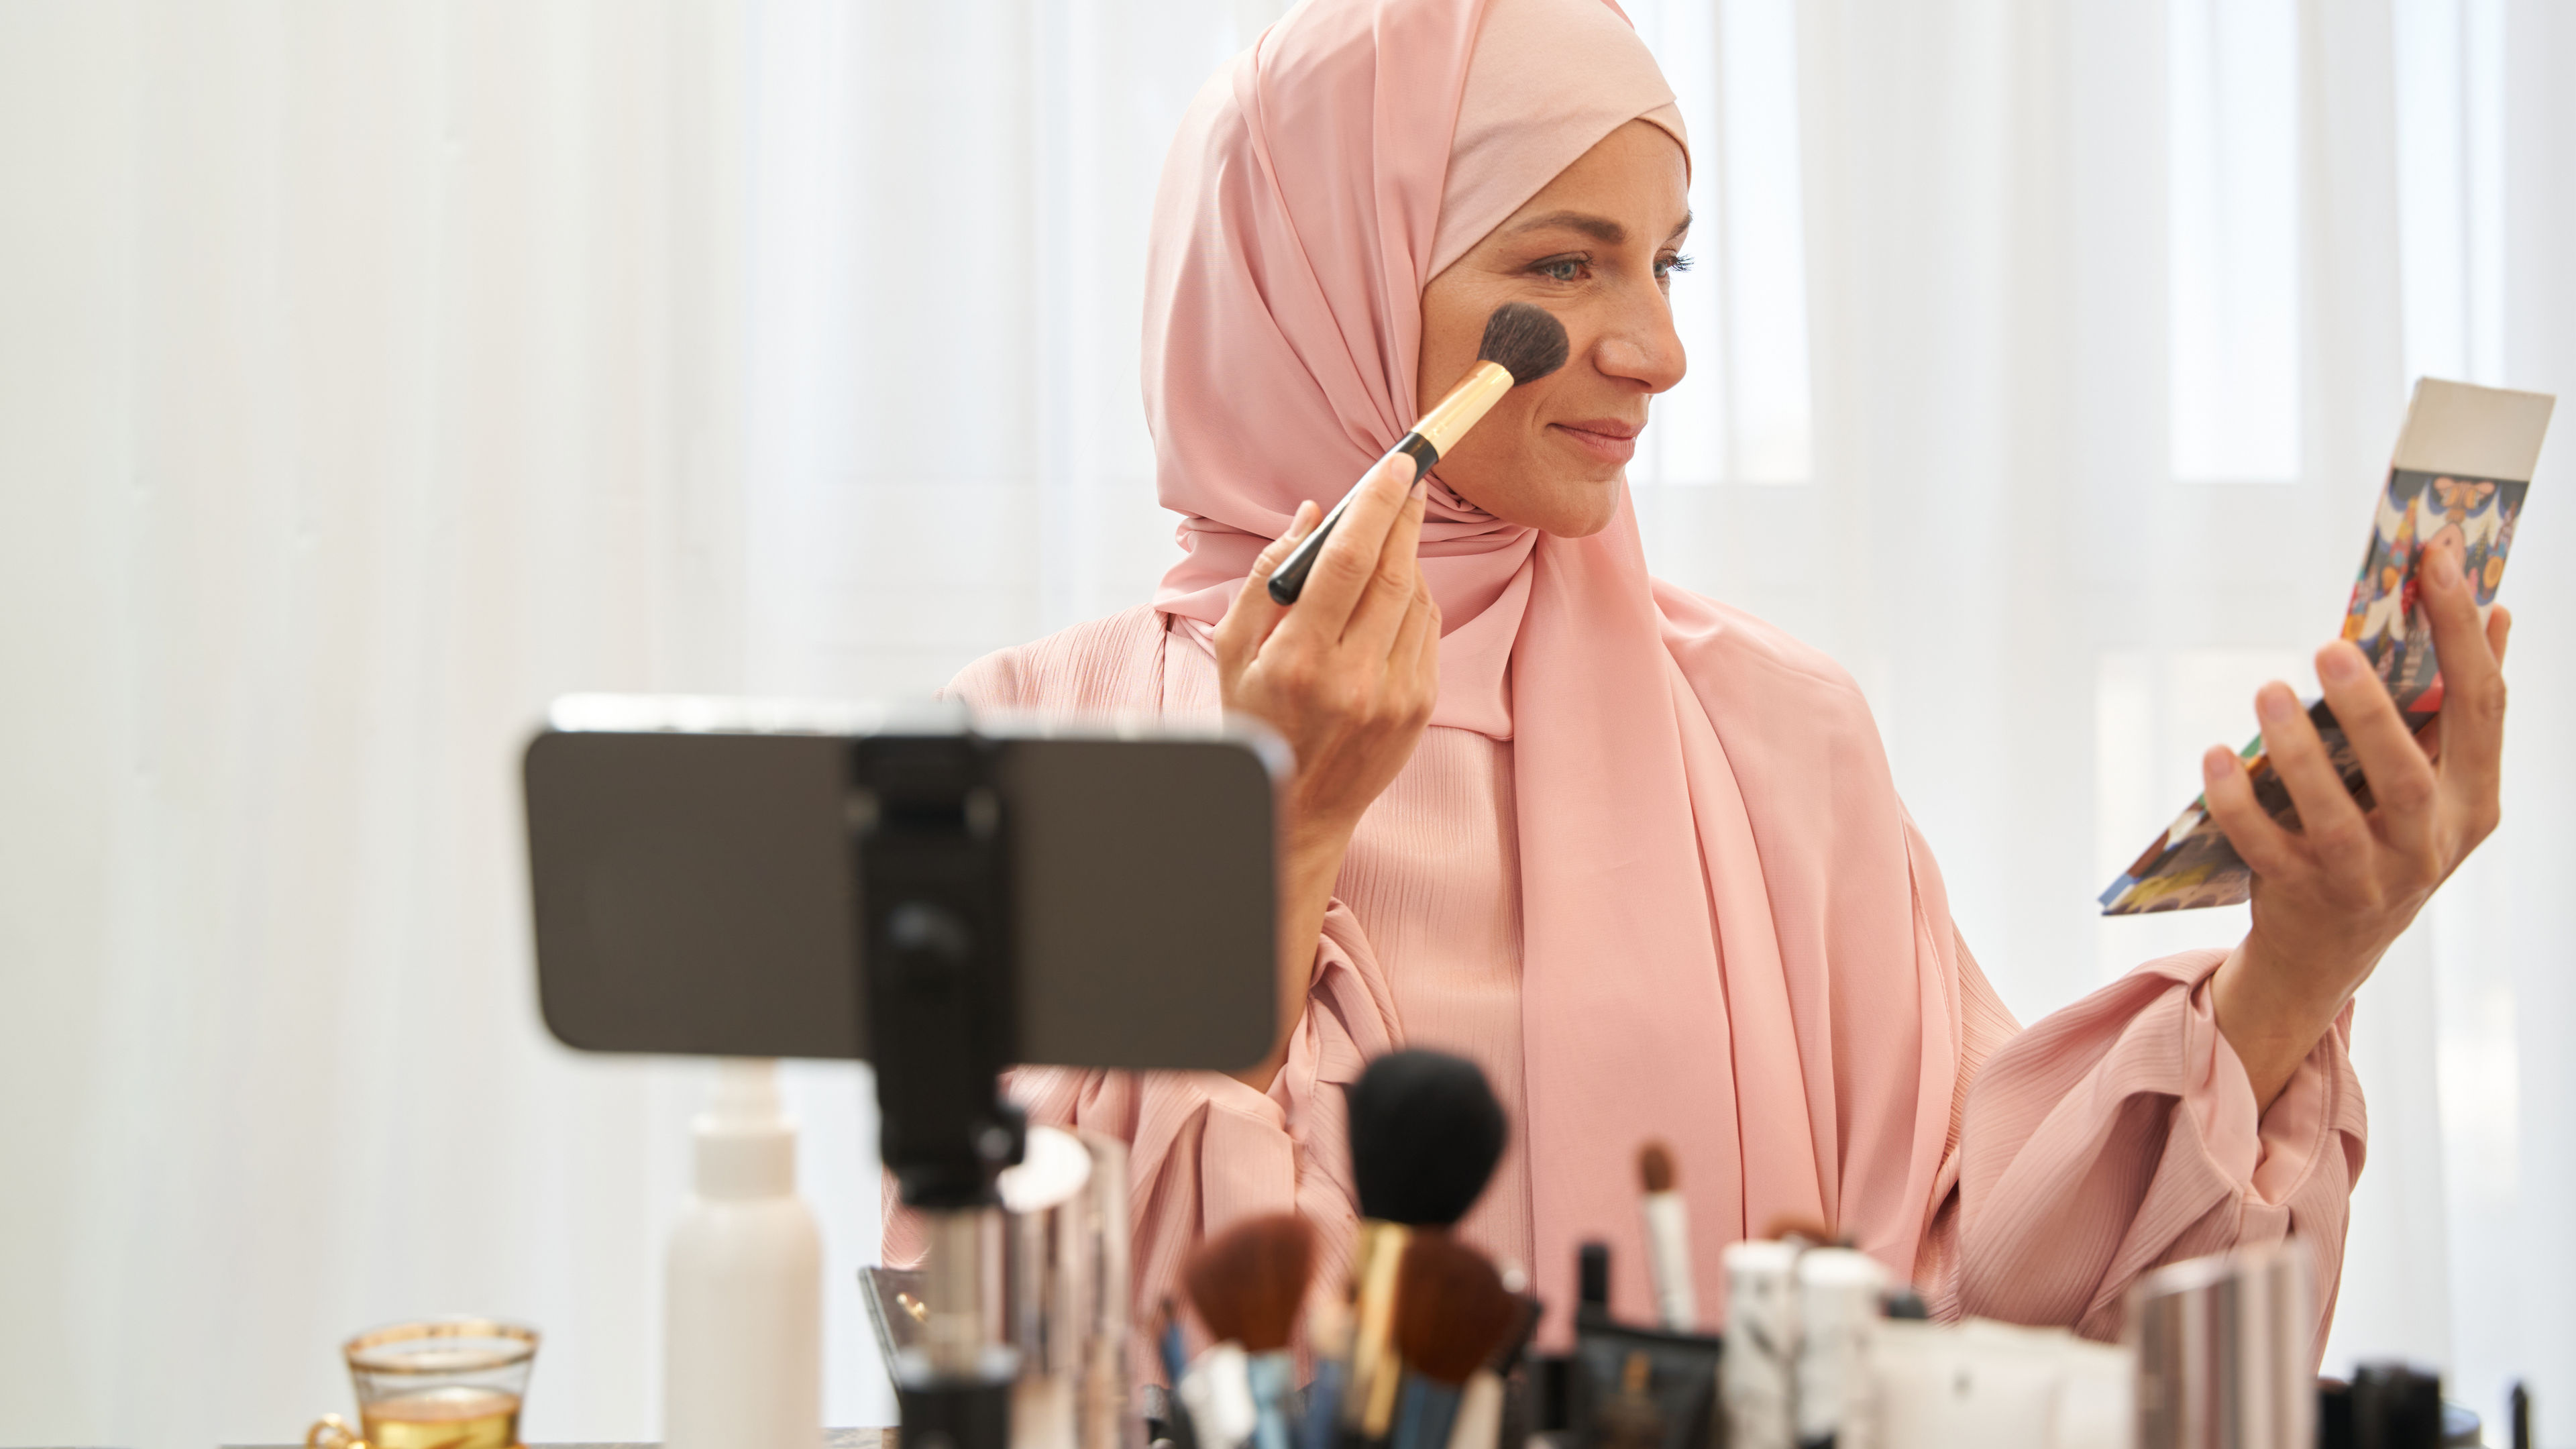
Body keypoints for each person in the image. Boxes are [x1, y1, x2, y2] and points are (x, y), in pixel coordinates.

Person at [886, 0, 2515, 1361]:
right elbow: (1021, 1344)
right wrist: (1273, 841)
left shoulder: (1778, 734)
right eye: (1570, 265)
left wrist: (2296, 968)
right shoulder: (1030, 743)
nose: (1659, 349)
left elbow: (1978, 1321)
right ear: (1330, 286)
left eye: (1669, 265)